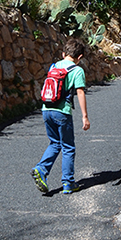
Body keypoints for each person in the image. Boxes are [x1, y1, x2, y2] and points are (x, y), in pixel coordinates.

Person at [32, 38, 90, 195]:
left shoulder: (54, 66)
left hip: (46, 109)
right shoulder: (77, 70)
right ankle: (68, 182)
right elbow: (80, 92)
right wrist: (84, 116)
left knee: (55, 143)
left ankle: (41, 169)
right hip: (61, 112)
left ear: (64, 53)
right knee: (68, 147)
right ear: (80, 57)